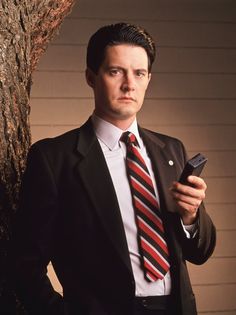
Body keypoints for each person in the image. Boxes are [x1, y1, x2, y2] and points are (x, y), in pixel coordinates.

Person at [9, 23, 216, 315]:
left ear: (148, 79)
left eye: (139, 73)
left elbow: (200, 252)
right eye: (116, 71)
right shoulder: (54, 158)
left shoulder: (172, 150)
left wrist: (191, 216)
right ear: (91, 77)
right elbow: (25, 264)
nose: (129, 84)